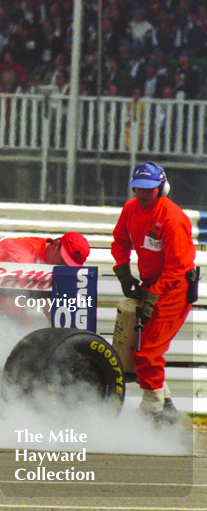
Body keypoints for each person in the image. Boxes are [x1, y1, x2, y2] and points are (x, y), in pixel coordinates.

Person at [111, 162, 196, 421]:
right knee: (143, 348)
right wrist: (123, 272)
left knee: (147, 351)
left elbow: (177, 267)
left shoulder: (172, 218)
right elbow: (120, 241)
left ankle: (153, 411)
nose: (143, 194)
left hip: (175, 289)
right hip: (152, 286)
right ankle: (165, 404)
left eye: (149, 189)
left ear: (162, 187)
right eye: (138, 188)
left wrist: (153, 295)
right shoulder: (130, 209)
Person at [0, 232, 91, 266]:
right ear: (56, 245)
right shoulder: (22, 255)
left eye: (69, 265)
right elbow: (9, 300)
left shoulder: (45, 252)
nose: (63, 265)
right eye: (63, 259)